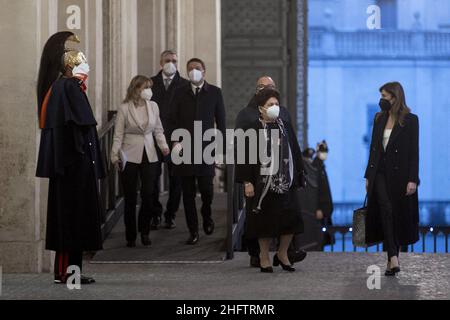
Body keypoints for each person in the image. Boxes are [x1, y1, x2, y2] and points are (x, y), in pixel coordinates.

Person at [36, 32, 105, 285]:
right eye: (82, 62)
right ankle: (66, 273)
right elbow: (77, 127)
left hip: (74, 168)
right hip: (72, 169)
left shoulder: (67, 87)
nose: (86, 66)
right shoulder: (66, 87)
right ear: (71, 66)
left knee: (75, 221)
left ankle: (70, 272)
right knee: (69, 222)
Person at [235, 76, 307, 267]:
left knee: (291, 219)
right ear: (261, 108)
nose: (275, 107)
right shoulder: (252, 127)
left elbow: (295, 150)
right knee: (264, 223)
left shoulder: (285, 125)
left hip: (285, 181)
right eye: (270, 104)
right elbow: (243, 156)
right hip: (261, 184)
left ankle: (283, 253)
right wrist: (246, 182)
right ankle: (264, 256)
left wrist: (299, 174)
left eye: (276, 103)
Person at [168, 58, 226, 245]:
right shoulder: (179, 92)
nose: (194, 71)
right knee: (188, 193)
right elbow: (171, 119)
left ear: (204, 71)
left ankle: (207, 215)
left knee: (207, 189)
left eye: (197, 68)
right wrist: (175, 141)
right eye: (190, 69)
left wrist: (222, 149)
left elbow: (222, 122)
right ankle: (193, 231)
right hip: (184, 150)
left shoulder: (215, 92)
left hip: (206, 148)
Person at [364, 82, 420, 276]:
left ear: (395, 97)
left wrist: (413, 179)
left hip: (401, 176)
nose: (382, 100)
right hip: (379, 173)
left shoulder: (411, 120)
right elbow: (374, 149)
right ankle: (394, 257)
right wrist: (368, 176)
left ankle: (390, 260)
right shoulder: (379, 118)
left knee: (396, 215)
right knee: (386, 210)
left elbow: (414, 152)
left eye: (385, 96)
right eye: (381, 95)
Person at [111, 76, 170, 248]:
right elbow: (118, 134)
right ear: (136, 89)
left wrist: (164, 146)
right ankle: (130, 235)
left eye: (149, 87)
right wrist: (114, 155)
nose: (148, 90)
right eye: (145, 87)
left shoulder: (153, 106)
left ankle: (144, 231)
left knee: (148, 194)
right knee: (130, 197)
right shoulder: (124, 108)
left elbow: (158, 130)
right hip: (129, 154)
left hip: (150, 154)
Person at [149, 50, 190, 230]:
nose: (171, 63)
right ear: (160, 62)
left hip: (176, 138)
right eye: (167, 60)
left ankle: (170, 214)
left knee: (177, 179)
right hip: (153, 138)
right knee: (152, 178)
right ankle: (155, 213)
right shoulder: (150, 83)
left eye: (174, 60)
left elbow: (188, 115)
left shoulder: (185, 85)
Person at [312, 141, 335, 248]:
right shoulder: (315, 167)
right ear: (317, 152)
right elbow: (315, 190)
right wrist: (317, 208)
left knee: (322, 239)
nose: (324, 154)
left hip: (324, 209)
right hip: (320, 209)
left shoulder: (321, 166)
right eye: (322, 151)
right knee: (319, 238)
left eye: (325, 151)